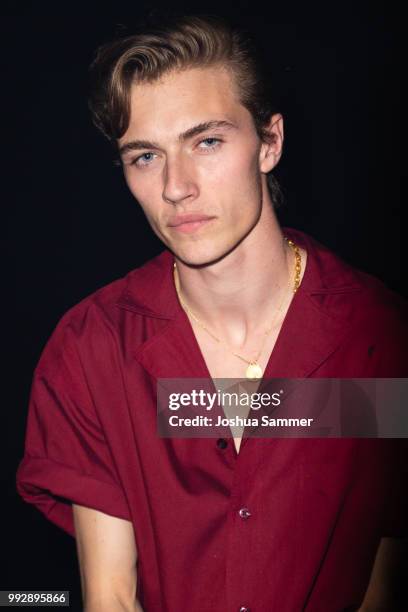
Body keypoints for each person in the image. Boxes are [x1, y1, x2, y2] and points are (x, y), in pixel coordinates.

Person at [16, 14, 408, 612]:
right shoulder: (93, 348)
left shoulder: (379, 337)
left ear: (269, 143)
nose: (177, 186)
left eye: (207, 141)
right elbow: (111, 598)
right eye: (145, 156)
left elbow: (383, 587)